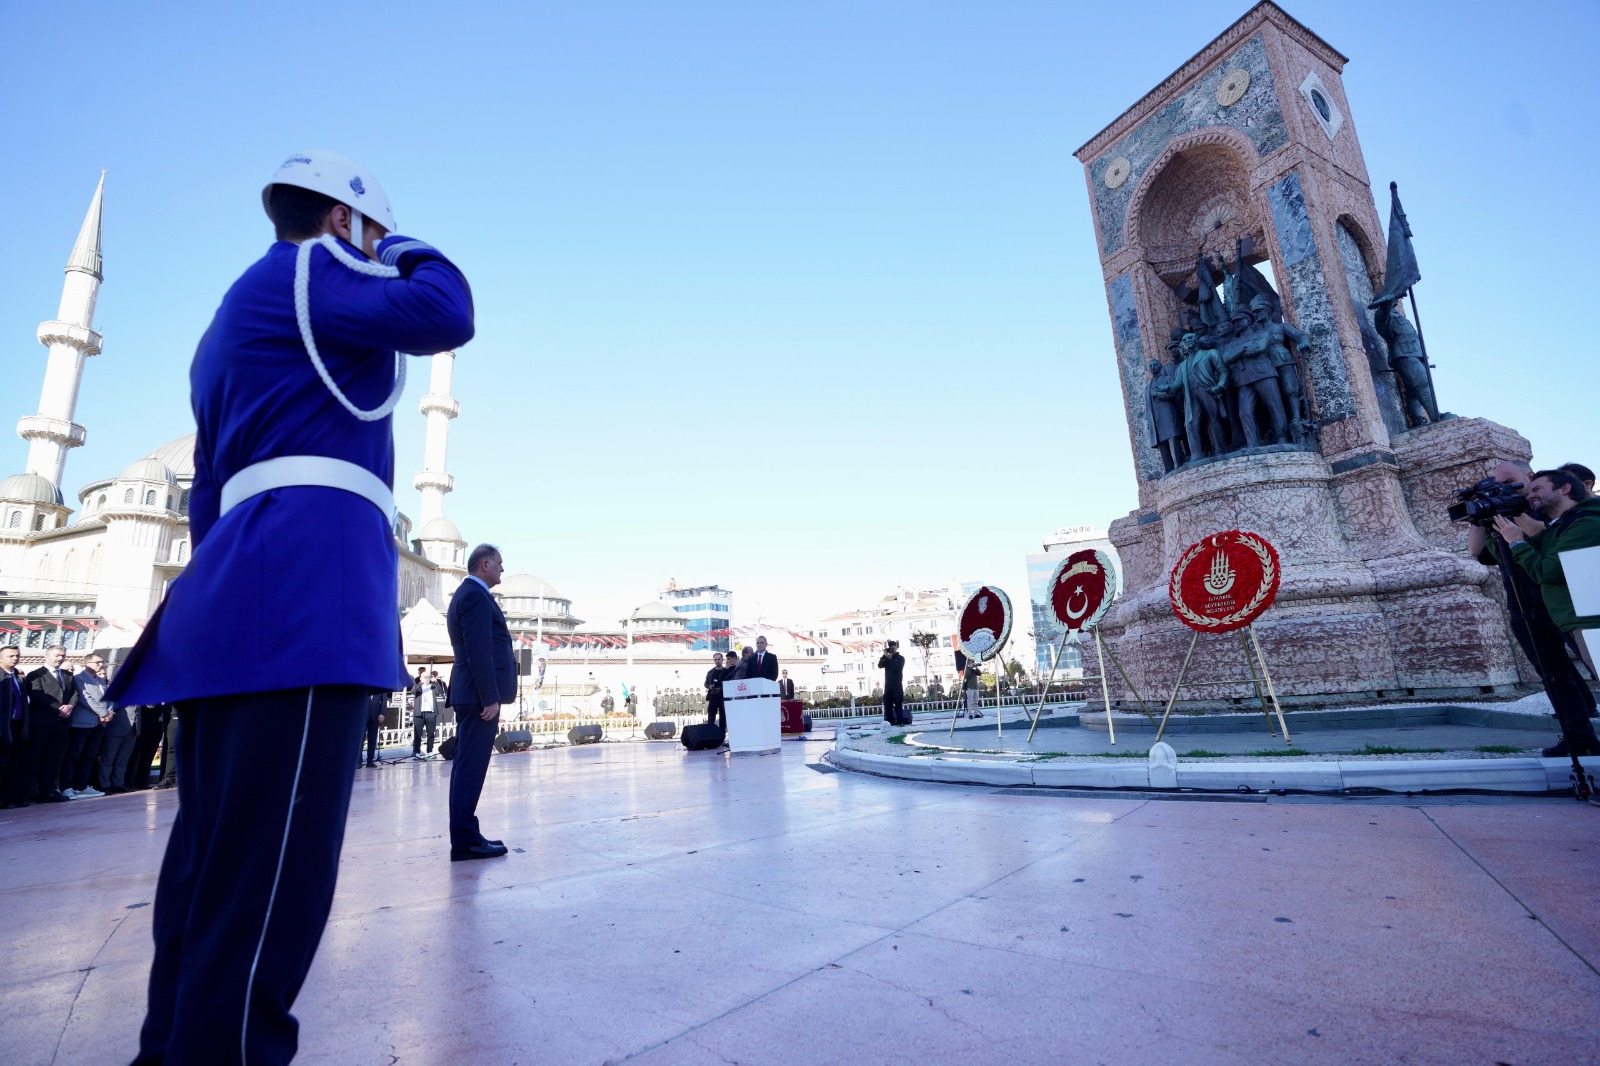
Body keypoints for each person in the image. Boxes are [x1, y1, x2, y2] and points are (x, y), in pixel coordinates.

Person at [102, 149, 474, 1065]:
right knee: (276, 884)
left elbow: (207, 495)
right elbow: (447, 309)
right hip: (304, 602)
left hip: (235, 600)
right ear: (345, 225)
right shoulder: (316, 268)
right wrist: (401, 247)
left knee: (210, 871)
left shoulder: (230, 319)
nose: (380, 256)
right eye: (372, 236)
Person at [1491, 469, 1600, 757]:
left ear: (1564, 489)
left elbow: (1547, 571)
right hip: (1580, 620)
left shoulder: (1585, 523)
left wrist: (1516, 542)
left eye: (1537, 488)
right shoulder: (1560, 526)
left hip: (1591, 621)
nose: (1531, 494)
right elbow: (1534, 543)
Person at [446, 544, 516, 862]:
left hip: (471, 694)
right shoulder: (474, 596)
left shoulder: (471, 594)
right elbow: (478, 650)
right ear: (484, 564)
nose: (503, 569)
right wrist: (489, 697)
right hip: (477, 697)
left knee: (467, 768)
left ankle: (466, 835)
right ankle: (465, 840)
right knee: (470, 769)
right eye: (499, 563)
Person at [24, 645, 76, 803]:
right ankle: (30, 791)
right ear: (47, 656)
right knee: (35, 758)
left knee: (53, 759)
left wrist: (71, 706)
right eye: (57, 655)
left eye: (63, 655)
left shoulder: (67, 675)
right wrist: (58, 708)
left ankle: (49, 791)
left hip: (61, 724)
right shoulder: (36, 675)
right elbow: (37, 696)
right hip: (42, 724)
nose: (60, 658)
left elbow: (74, 692)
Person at [63, 652, 111, 798]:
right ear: (86, 663)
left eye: (101, 662)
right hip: (82, 723)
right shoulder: (79, 679)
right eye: (97, 662)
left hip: (99, 724)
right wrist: (103, 713)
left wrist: (108, 712)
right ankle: (67, 786)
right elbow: (85, 699)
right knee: (74, 756)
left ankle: (82, 786)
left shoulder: (101, 681)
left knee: (90, 756)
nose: (100, 665)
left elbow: (110, 698)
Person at [98, 681, 140, 794]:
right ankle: (104, 784)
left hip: (132, 729)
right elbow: (110, 705)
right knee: (108, 759)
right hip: (116, 729)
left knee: (123, 759)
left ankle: (118, 783)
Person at [0, 646, 28, 808]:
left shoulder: (17, 677)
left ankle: (7, 797)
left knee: (13, 763)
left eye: (17, 656)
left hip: (17, 725)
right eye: (10, 656)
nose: (14, 658)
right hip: (4, 726)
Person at [409, 668, 439, 760]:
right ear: (421, 678)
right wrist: (419, 684)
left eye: (428, 677)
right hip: (419, 714)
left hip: (430, 713)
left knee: (430, 734)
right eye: (424, 677)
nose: (426, 679)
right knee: (417, 734)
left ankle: (429, 752)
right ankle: (416, 753)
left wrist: (436, 682)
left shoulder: (433, 686)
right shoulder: (417, 686)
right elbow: (413, 691)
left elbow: (439, 692)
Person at [878, 641, 907, 726]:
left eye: (893, 647)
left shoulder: (901, 658)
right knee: (888, 705)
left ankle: (900, 722)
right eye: (890, 646)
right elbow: (880, 665)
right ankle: (890, 723)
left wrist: (891, 658)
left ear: (896, 647)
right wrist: (884, 656)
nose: (891, 648)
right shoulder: (886, 658)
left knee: (898, 705)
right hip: (888, 685)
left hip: (897, 684)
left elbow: (898, 668)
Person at [363, 690, 388, 768]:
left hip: (375, 715)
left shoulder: (381, 684)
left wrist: (382, 713)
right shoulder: (364, 682)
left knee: (372, 740)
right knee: (360, 739)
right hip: (363, 715)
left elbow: (384, 700)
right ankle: (358, 761)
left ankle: (370, 761)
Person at [704, 652, 727, 732]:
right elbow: (705, 684)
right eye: (715, 659)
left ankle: (722, 737)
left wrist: (721, 688)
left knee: (722, 718)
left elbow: (728, 683)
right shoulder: (710, 672)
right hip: (713, 696)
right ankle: (710, 736)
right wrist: (709, 686)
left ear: (722, 660)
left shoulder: (726, 671)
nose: (717, 661)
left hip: (722, 697)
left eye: (719, 659)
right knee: (711, 718)